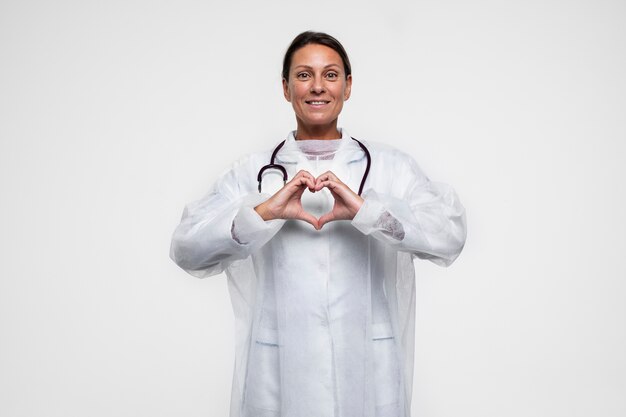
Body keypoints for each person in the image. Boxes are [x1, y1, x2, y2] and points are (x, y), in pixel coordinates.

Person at [170, 31, 467, 417]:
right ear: (285, 87)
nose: (317, 87)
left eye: (330, 75)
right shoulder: (253, 173)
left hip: (369, 369)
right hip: (276, 373)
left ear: (347, 86)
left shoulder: (391, 167)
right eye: (304, 75)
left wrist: (370, 212)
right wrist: (261, 214)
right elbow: (186, 249)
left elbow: (449, 236)